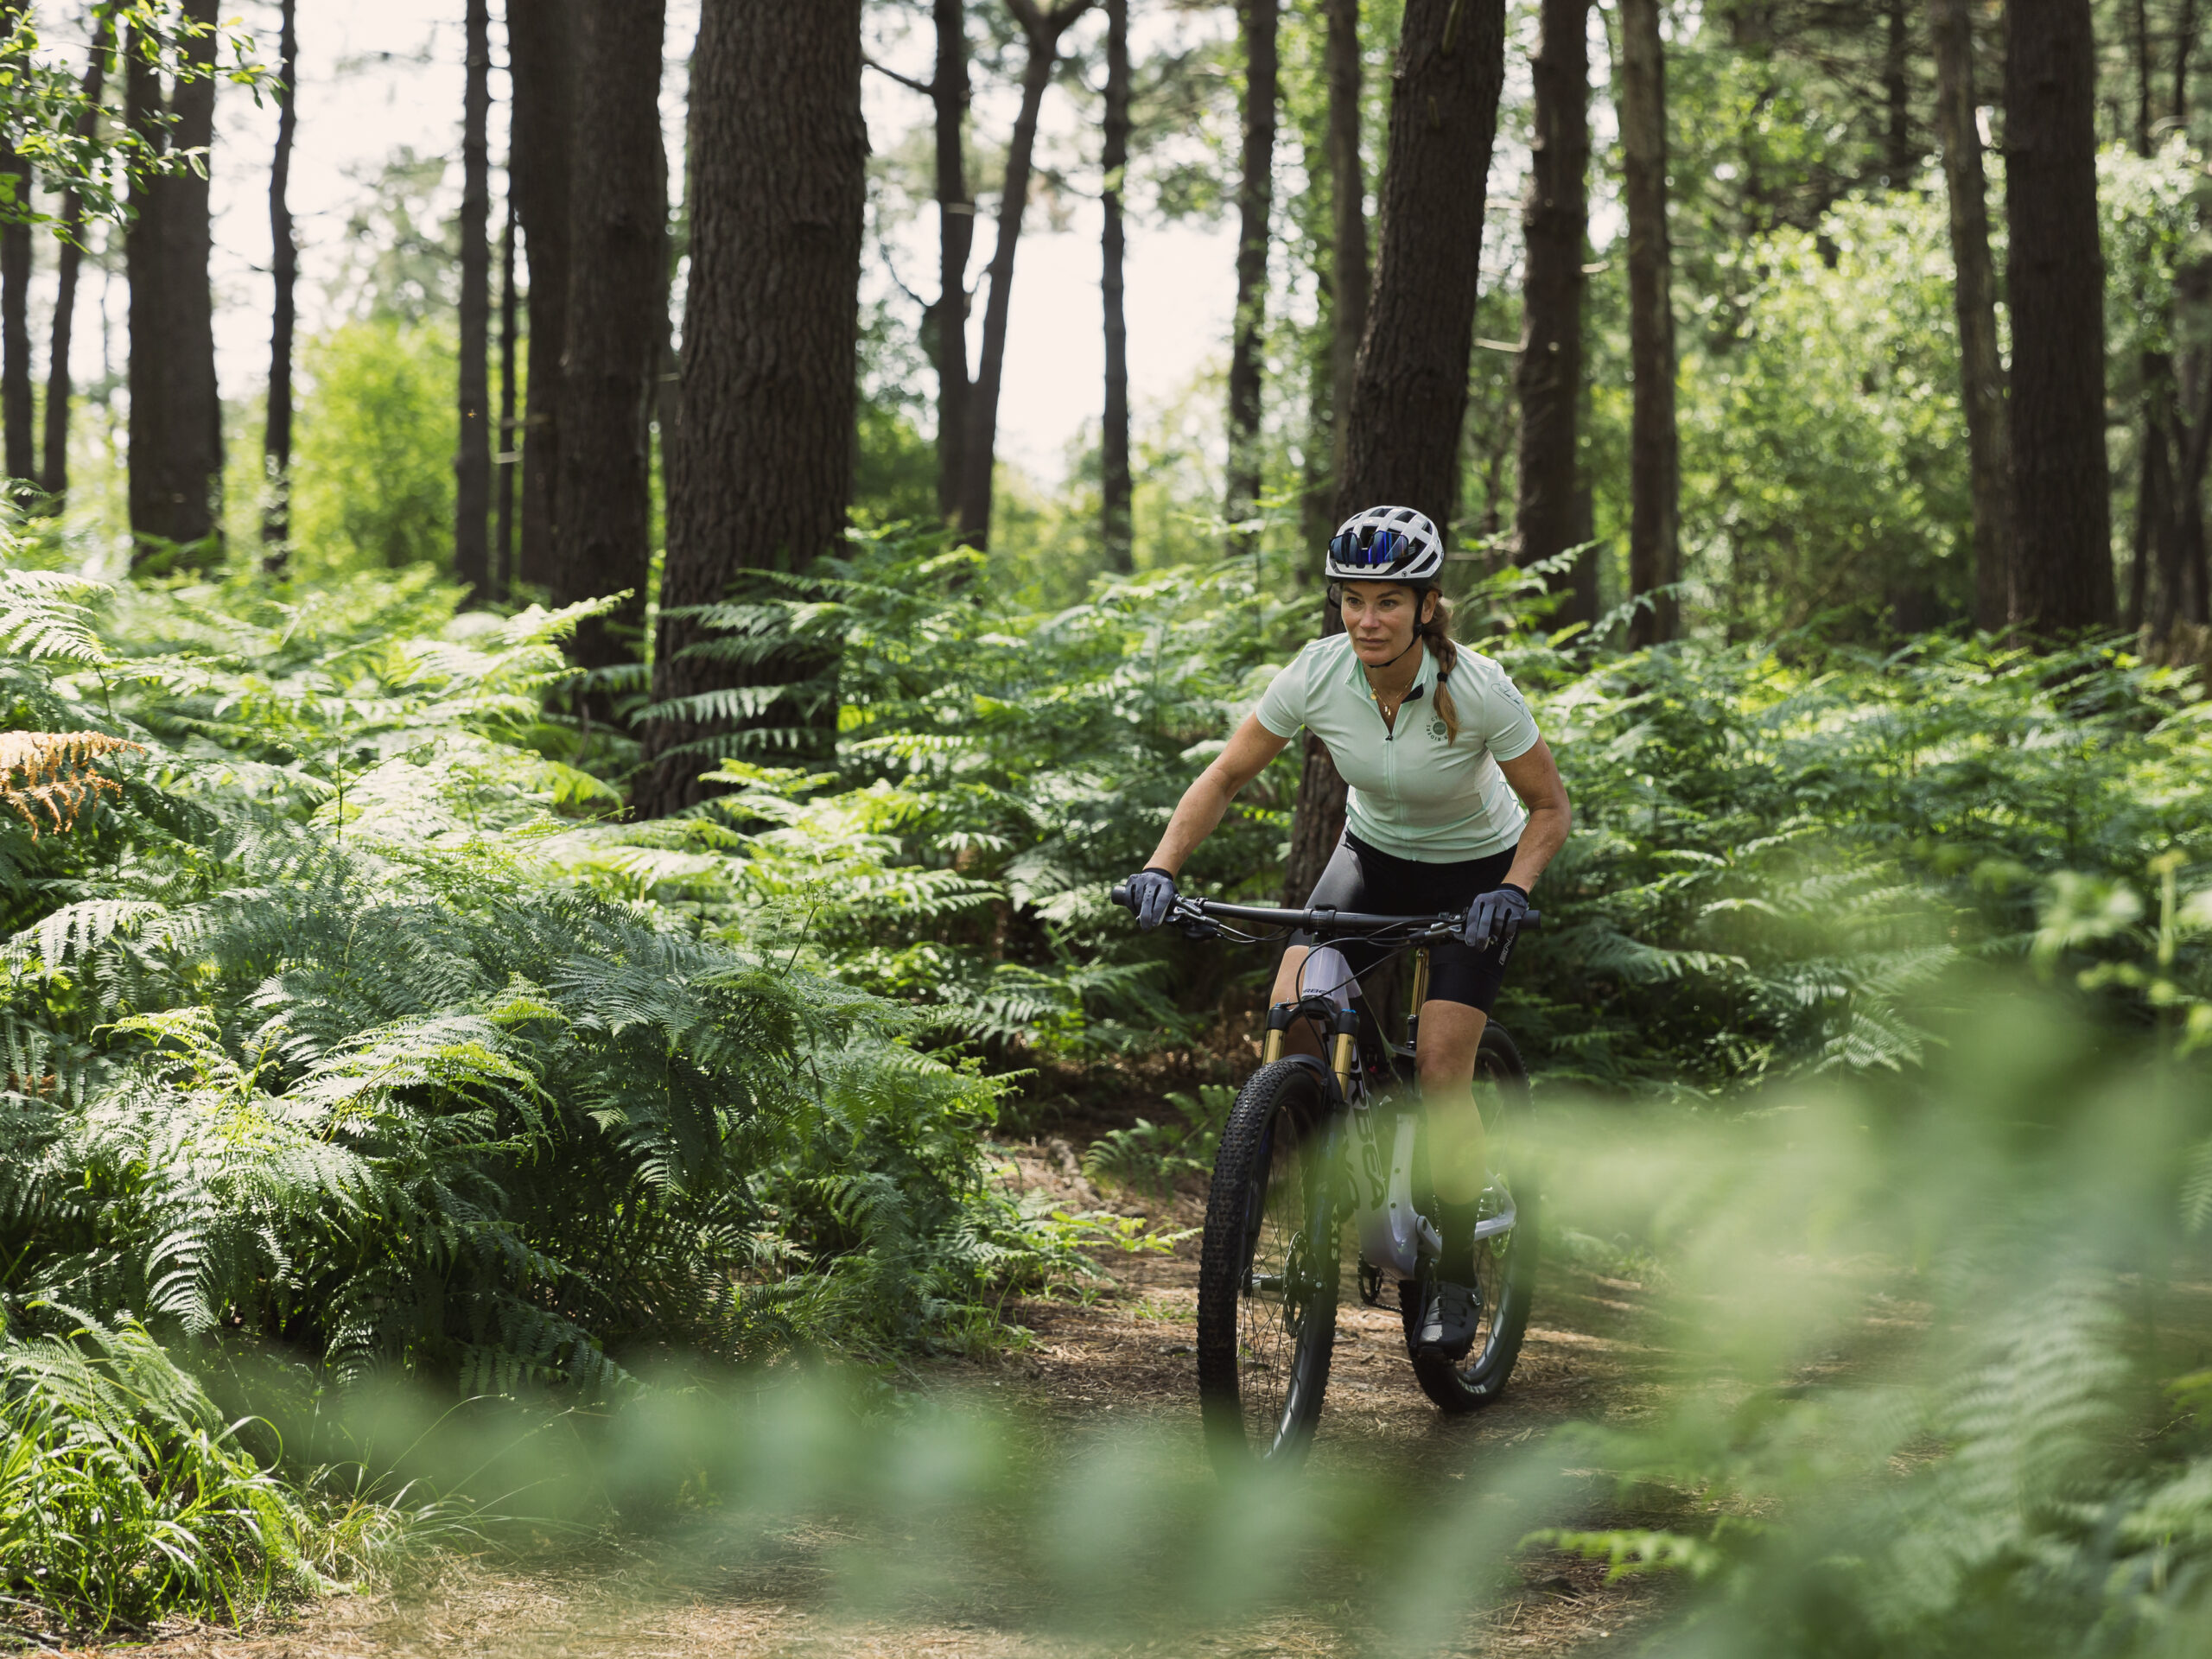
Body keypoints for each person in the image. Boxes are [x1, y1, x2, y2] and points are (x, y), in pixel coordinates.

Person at [1122, 505, 1572, 1363]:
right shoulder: (1318, 672)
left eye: (1388, 603)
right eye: (1352, 600)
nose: (1367, 619)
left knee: (1442, 1066)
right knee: (1292, 1004)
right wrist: (1161, 866)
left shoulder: (1474, 686)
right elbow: (1225, 774)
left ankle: (1449, 1267)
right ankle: (1321, 1184)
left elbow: (1548, 807)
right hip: (1369, 858)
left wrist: (1512, 890)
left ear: (1426, 607)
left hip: (1474, 874)